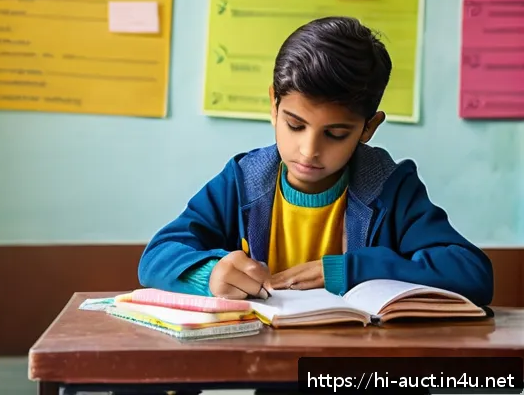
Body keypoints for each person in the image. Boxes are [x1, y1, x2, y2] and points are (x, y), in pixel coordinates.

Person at [138, 16, 494, 307]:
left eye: (335, 134)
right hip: (269, 367)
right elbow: (157, 257)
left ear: (368, 128)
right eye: (295, 125)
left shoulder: (390, 188)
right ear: (273, 106)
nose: (309, 150)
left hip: (365, 370)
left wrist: (349, 270)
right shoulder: (243, 181)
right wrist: (211, 274)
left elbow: (472, 275)